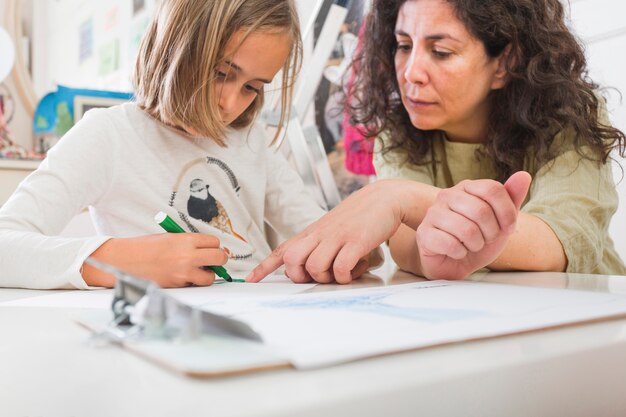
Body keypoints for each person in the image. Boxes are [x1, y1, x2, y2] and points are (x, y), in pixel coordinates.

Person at [247, 0, 626, 284]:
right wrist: (435, 258)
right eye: (403, 45)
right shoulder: (398, 129)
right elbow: (409, 249)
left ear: (504, 62)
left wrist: (400, 198)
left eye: (441, 52)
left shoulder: (570, 116)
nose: (411, 73)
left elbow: (558, 243)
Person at [0, 0, 337, 289]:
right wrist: (116, 261)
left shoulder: (252, 140)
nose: (230, 104)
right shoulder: (108, 134)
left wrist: (347, 247)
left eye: (252, 87)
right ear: (177, 45)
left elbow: (321, 232)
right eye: (222, 73)